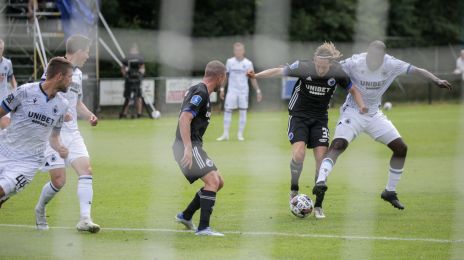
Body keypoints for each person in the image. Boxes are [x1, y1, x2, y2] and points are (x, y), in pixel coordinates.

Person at [313, 40, 453, 213]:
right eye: (370, 56)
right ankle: (321, 181)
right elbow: (333, 69)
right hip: (353, 112)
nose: (373, 60)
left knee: (401, 148)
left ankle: (390, 191)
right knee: (339, 145)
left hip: (374, 115)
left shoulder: (391, 63)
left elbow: (417, 70)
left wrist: (436, 80)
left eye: (377, 58)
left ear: (383, 57)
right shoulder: (355, 62)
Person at [248, 42, 367, 219]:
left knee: (322, 162)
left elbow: (353, 89)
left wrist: (362, 106)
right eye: (318, 65)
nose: (320, 69)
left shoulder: (338, 72)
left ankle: (318, 205)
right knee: (298, 155)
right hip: (299, 117)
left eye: (324, 67)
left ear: (330, 64)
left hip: (320, 119)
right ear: (314, 61)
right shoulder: (303, 67)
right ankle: (294, 189)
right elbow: (279, 71)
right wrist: (257, 75)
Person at [35, 35, 100, 233]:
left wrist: (89, 115)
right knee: (59, 181)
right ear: (78, 51)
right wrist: (59, 114)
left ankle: (85, 219)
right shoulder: (54, 69)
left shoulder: (78, 75)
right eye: (87, 51)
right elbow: (42, 95)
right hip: (53, 133)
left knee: (86, 171)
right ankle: (40, 209)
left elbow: (76, 103)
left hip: (72, 133)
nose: (88, 55)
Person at [0, 57, 71, 208]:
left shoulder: (62, 105)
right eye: (69, 77)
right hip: (4, 148)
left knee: (1, 190)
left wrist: (60, 148)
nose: (71, 81)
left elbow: (54, 137)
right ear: (59, 76)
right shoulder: (25, 91)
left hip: (28, 162)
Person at [173, 60, 227, 236]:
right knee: (212, 181)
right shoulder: (201, 92)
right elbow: (184, 118)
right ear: (220, 77)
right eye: (224, 78)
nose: (224, 81)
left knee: (219, 182)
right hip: (187, 145)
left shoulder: (202, 91)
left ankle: (186, 215)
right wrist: (188, 148)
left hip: (194, 145)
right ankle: (204, 228)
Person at [216, 42, 262, 141]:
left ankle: (240, 135)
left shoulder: (248, 63)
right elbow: (226, 76)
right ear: (234, 51)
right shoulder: (229, 62)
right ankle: (225, 134)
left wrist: (258, 91)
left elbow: (253, 78)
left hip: (243, 91)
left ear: (243, 51)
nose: (238, 52)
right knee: (227, 111)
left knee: (243, 112)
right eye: (236, 50)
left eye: (240, 50)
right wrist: (222, 89)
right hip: (232, 91)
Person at [119, 43, 145, 119]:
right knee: (128, 97)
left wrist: (140, 75)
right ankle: (124, 113)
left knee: (138, 97)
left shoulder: (140, 58)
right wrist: (126, 76)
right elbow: (123, 68)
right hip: (129, 81)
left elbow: (143, 68)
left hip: (137, 80)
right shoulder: (127, 58)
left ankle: (139, 114)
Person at [0, 39, 18, 129]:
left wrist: (15, 90)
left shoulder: (8, 63)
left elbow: (12, 78)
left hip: (3, 98)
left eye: (0, 48)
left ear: (3, 49)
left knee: (5, 124)